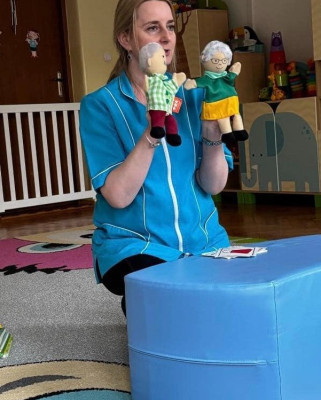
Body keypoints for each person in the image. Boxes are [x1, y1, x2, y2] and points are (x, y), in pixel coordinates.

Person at [79, 0, 233, 316]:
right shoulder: (100, 105)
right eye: (152, 28)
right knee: (175, 307)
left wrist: (212, 136)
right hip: (134, 245)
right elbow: (118, 196)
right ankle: (154, 300)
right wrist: (152, 133)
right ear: (126, 39)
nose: (166, 37)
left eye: (170, 27)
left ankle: (167, 296)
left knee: (237, 305)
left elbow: (214, 185)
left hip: (204, 241)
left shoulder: (196, 95)